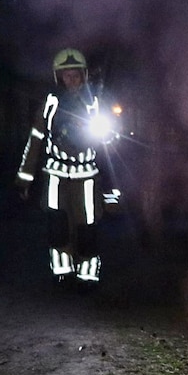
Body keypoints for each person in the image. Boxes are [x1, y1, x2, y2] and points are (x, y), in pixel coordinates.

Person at [16, 48, 122, 290]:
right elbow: (35, 139)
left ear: (84, 76)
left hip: (87, 175)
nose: (72, 80)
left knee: (87, 226)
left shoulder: (97, 102)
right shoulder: (50, 102)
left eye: (76, 75)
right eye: (67, 76)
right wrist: (25, 178)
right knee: (57, 225)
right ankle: (61, 271)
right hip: (56, 174)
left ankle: (87, 274)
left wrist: (101, 133)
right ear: (59, 77)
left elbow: (111, 145)